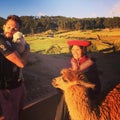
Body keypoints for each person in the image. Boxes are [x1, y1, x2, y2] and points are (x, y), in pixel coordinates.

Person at [55, 40, 101, 120]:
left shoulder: (89, 64)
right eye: (73, 49)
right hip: (75, 92)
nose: (74, 52)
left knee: (65, 100)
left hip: (88, 93)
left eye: (77, 50)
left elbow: (91, 83)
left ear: (83, 50)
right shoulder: (72, 63)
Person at [0, 15, 30, 120]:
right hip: (5, 89)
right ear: (4, 26)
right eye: (8, 27)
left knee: (20, 111)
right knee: (9, 116)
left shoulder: (15, 41)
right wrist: (27, 48)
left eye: (15, 28)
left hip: (17, 85)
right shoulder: (1, 40)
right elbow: (21, 63)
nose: (11, 30)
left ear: (18, 30)